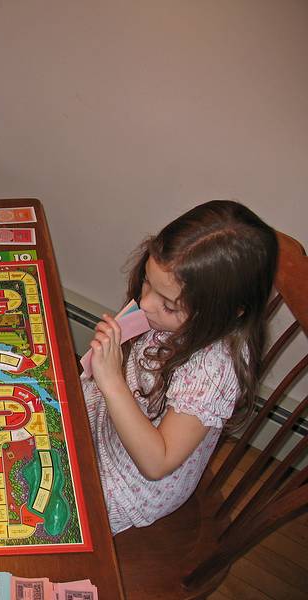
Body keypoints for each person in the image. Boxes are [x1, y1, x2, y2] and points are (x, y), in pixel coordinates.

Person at [83, 200, 278, 534]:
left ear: (228, 312)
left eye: (169, 305)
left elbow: (156, 463)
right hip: (109, 421)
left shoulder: (215, 370)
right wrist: (107, 366)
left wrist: (112, 381)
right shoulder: (169, 307)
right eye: (147, 281)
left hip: (131, 484)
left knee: (34, 516)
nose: (144, 303)